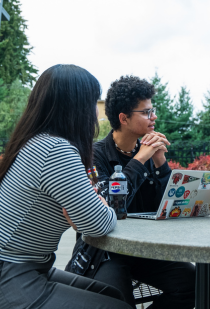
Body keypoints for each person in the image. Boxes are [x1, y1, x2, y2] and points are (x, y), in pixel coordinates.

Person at [0, 64, 131, 309]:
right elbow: (98, 223)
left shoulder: (35, 142)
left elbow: (85, 218)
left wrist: (94, 209)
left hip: (30, 265)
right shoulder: (55, 150)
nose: (96, 112)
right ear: (76, 106)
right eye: (93, 101)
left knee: (113, 296)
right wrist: (103, 208)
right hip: (10, 270)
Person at [67, 75, 195, 309]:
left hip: (145, 249)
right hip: (105, 251)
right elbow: (106, 205)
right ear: (123, 118)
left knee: (192, 282)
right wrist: (140, 159)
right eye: (146, 112)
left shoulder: (149, 153)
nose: (153, 116)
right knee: (117, 300)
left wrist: (160, 163)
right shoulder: (94, 155)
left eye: (152, 110)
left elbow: (168, 206)